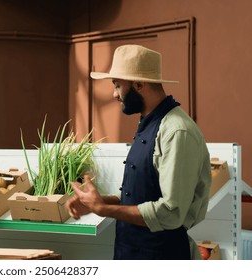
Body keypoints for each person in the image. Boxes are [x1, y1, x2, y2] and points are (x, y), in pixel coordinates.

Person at [66, 45, 212, 260]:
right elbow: (142, 196)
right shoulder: (149, 123)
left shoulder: (176, 131)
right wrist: (98, 202)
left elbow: (171, 213)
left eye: (117, 85)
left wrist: (103, 210)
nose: (114, 94)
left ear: (139, 84)